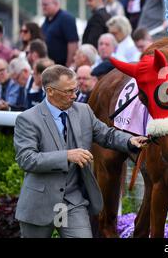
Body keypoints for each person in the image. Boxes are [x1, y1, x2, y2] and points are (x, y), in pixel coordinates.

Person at [14, 65, 147, 238]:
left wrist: (129, 140)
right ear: (50, 91)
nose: (74, 95)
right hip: (39, 204)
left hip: (73, 203)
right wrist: (67, 156)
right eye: (68, 91)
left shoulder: (83, 111)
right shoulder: (28, 119)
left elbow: (106, 134)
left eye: (75, 89)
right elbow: (26, 159)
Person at [40, 0, 79, 67]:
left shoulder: (66, 18)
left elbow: (73, 43)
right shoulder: (47, 20)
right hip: (49, 66)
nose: (43, 7)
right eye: (42, 5)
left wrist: (69, 65)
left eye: (45, 4)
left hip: (61, 66)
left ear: (56, 3)